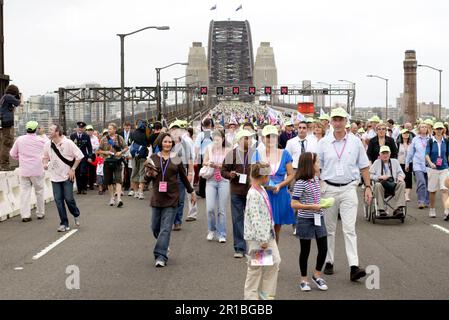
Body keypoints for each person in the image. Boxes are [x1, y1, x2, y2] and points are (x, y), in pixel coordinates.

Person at [317, 107, 372, 282]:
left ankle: (354, 266)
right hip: (329, 188)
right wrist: (317, 185)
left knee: (349, 229)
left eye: (341, 119)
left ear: (346, 122)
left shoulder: (355, 142)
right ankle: (329, 261)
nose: (338, 123)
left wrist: (368, 187)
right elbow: (317, 167)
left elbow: (363, 166)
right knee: (330, 229)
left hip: (349, 187)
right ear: (331, 122)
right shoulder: (323, 143)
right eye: (335, 119)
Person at [146, 133, 196, 267]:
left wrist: (191, 191)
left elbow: (183, 177)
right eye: (165, 141)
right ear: (161, 142)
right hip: (157, 197)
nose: (167, 144)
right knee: (155, 227)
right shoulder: (153, 158)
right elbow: (146, 179)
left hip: (172, 197)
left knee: (166, 228)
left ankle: (160, 256)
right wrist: (149, 174)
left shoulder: (176, 159)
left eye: (170, 142)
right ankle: (163, 243)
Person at [291, 152, 328, 292]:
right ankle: (304, 279)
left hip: (319, 217)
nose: (319, 164)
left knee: (324, 248)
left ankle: (317, 275)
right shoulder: (300, 182)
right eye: (317, 162)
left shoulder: (316, 179)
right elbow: (294, 204)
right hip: (305, 219)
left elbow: (315, 198)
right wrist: (311, 206)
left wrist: (322, 203)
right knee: (305, 251)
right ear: (310, 165)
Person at [244, 162, 280, 300]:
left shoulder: (261, 189)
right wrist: (262, 240)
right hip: (259, 238)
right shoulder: (253, 193)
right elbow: (256, 218)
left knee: (274, 262)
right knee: (256, 270)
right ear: (263, 176)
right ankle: (251, 298)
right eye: (268, 175)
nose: (269, 177)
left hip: (266, 235)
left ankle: (265, 296)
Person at [254, 125, 295, 244]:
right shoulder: (257, 154)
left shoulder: (285, 154)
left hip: (279, 194)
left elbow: (291, 175)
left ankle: (273, 255)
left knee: (276, 229)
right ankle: (262, 256)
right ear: (263, 139)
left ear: (277, 138)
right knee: (263, 227)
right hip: (262, 194)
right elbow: (253, 175)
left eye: (273, 136)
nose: (270, 139)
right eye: (268, 137)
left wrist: (280, 185)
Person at [42, 124, 84, 232]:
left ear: (57, 132)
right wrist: (45, 164)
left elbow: (79, 156)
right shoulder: (47, 144)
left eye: (51, 129)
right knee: (58, 200)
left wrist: (73, 169)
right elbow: (45, 157)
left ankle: (75, 213)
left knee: (69, 199)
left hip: (67, 176)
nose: (49, 131)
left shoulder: (68, 142)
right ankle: (64, 223)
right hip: (54, 177)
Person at [222, 129, 256, 258]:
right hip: (236, 191)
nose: (249, 140)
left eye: (250, 138)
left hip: (252, 192)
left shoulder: (255, 153)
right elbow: (223, 171)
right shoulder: (232, 154)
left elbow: (263, 169)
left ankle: (253, 248)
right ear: (240, 140)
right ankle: (239, 248)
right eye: (246, 138)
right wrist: (230, 175)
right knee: (237, 220)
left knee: (253, 220)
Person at [9, 121, 46, 222]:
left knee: (25, 193)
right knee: (39, 192)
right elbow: (47, 153)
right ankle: (40, 213)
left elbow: (12, 154)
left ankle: (25, 215)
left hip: (24, 170)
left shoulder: (20, 140)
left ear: (26, 128)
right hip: (37, 170)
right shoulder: (41, 140)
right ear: (36, 129)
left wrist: (20, 158)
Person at [203, 129, 230, 243]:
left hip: (224, 180)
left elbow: (229, 166)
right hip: (211, 180)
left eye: (218, 139)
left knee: (221, 209)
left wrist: (219, 165)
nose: (216, 141)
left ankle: (222, 233)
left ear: (223, 139)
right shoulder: (209, 148)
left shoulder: (228, 150)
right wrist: (209, 163)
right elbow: (204, 162)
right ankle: (211, 230)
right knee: (210, 208)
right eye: (214, 139)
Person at [169, 120, 195, 230]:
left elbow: (190, 159)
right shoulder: (167, 143)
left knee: (180, 198)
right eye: (173, 130)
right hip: (170, 173)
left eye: (177, 130)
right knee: (170, 197)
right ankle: (169, 220)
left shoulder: (186, 143)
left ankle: (177, 221)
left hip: (182, 172)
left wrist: (190, 173)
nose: (175, 132)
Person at [369, 146, 406, 217]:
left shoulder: (395, 162)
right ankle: (381, 209)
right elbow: (369, 175)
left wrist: (400, 177)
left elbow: (401, 173)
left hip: (393, 185)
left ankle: (398, 208)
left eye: (387, 153)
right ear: (380, 154)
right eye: (383, 153)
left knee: (402, 183)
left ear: (390, 153)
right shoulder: (376, 162)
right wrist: (379, 177)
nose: (385, 155)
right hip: (381, 185)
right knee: (377, 185)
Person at [98, 123, 128, 207]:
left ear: (115, 130)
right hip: (107, 162)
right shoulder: (104, 139)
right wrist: (105, 152)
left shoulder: (119, 138)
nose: (109, 130)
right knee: (109, 181)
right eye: (108, 128)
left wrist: (120, 152)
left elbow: (126, 147)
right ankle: (112, 198)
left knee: (118, 180)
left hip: (117, 161)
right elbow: (99, 150)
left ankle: (119, 199)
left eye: (110, 129)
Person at [425, 122, 449, 219]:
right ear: (434, 130)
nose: (439, 131)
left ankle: (446, 211)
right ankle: (432, 209)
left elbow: (447, 154)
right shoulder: (430, 141)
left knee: (444, 190)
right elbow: (426, 154)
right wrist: (430, 163)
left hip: (444, 168)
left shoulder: (446, 141)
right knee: (432, 191)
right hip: (433, 169)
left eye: (440, 129)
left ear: (443, 130)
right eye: (437, 129)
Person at [406, 122, 430, 209]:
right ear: (419, 129)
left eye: (425, 127)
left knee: (428, 183)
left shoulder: (430, 139)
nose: (424, 128)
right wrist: (407, 163)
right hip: (417, 164)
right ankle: (421, 201)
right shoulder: (415, 139)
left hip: (428, 165)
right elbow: (410, 152)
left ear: (427, 129)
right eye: (422, 127)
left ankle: (427, 201)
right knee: (421, 182)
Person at [0, 84, 22, 171]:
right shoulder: (8, 96)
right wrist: (20, 96)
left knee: (3, 142)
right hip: (6, 123)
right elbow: (19, 103)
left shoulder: (4, 98)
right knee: (7, 143)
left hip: (3, 122)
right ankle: (4, 164)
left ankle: (2, 164)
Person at [70, 121, 93, 194]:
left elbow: (89, 147)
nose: (80, 129)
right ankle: (79, 189)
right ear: (76, 128)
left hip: (83, 157)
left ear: (84, 129)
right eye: (79, 128)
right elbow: (70, 147)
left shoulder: (86, 136)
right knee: (77, 172)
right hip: (75, 157)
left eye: (82, 128)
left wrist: (89, 156)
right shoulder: (72, 136)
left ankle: (84, 188)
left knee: (83, 172)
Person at [129, 119, 150, 200]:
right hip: (143, 156)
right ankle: (141, 192)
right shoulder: (146, 133)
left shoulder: (133, 133)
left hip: (134, 156)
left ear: (137, 125)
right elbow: (148, 144)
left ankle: (136, 191)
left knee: (134, 172)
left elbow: (130, 142)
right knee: (142, 173)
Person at [195, 118, 214, 198]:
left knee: (202, 174)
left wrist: (196, 157)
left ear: (202, 126)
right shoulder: (214, 134)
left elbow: (197, 147)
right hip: (213, 156)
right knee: (212, 174)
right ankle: (212, 191)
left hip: (202, 156)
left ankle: (202, 192)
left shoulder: (200, 135)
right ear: (210, 125)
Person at [397, 128, 413, 201]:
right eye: (404, 133)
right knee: (400, 178)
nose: (406, 134)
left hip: (409, 163)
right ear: (401, 135)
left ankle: (407, 195)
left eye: (407, 133)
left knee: (408, 179)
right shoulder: (397, 144)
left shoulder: (412, 143)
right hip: (400, 163)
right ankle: (400, 193)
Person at [120, 121, 133, 193]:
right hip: (122, 151)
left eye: (128, 126)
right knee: (122, 169)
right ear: (123, 126)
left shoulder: (132, 133)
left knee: (129, 169)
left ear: (130, 127)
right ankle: (123, 184)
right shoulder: (120, 133)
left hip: (129, 152)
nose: (127, 127)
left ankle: (127, 184)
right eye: (126, 126)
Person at [86, 125, 99, 190]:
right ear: (86, 131)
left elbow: (97, 146)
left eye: (91, 130)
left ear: (92, 131)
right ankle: (85, 184)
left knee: (92, 170)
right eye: (88, 130)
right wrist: (91, 146)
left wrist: (90, 147)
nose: (89, 132)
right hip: (85, 155)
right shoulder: (85, 137)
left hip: (92, 155)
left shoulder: (95, 138)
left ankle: (91, 185)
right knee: (85, 170)